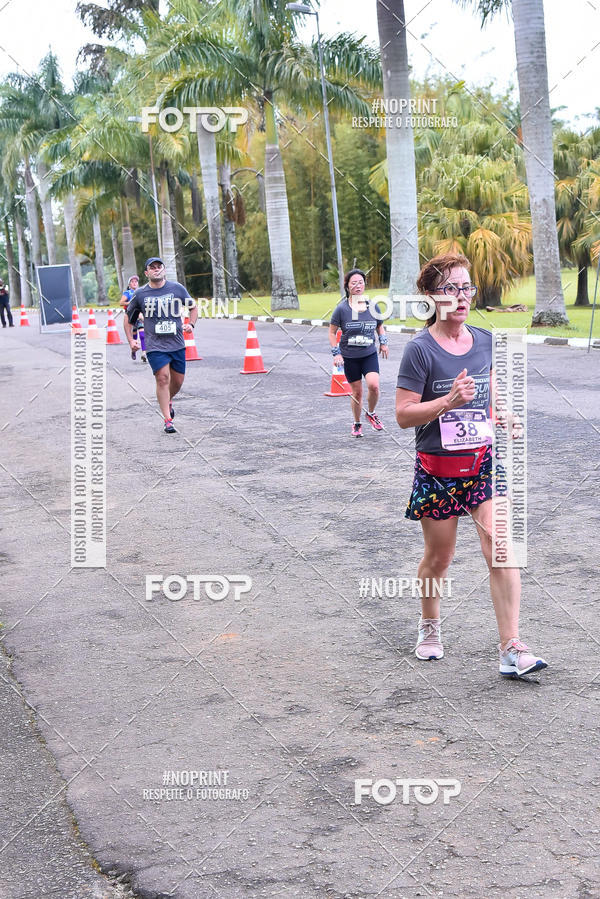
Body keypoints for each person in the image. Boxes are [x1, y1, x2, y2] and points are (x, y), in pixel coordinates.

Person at [395, 251, 547, 678]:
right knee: (439, 558)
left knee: (502, 545)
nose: (461, 296)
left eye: (467, 287)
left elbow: (489, 391)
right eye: (450, 288)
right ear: (430, 297)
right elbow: (403, 415)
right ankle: (429, 624)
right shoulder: (419, 350)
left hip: (482, 462)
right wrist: (447, 401)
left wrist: (505, 415)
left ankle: (511, 647)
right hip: (438, 470)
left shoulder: (483, 340)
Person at [124, 257, 197, 434]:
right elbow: (128, 319)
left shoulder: (177, 288)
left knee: (177, 382)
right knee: (162, 378)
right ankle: (167, 419)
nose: (156, 269)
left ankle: (167, 400)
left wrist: (191, 324)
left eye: (159, 267)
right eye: (152, 267)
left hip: (177, 343)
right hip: (154, 345)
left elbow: (193, 307)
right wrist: (131, 340)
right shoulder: (140, 294)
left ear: (164, 270)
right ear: (146, 273)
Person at [329, 269, 389, 437]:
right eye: (353, 283)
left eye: (360, 282)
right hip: (349, 357)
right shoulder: (341, 309)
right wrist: (336, 353)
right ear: (347, 286)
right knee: (357, 392)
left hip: (369, 354)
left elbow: (379, 325)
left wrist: (383, 342)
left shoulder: (372, 305)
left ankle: (371, 413)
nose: (358, 286)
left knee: (374, 386)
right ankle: (356, 423)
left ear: (364, 285)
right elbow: (332, 332)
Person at [120, 275, 146, 362]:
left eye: (136, 281)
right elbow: (121, 302)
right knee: (134, 335)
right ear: (129, 284)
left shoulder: (140, 292)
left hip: (139, 316)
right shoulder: (127, 293)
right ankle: (133, 351)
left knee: (142, 334)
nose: (134, 283)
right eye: (132, 282)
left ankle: (144, 353)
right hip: (131, 316)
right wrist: (130, 303)